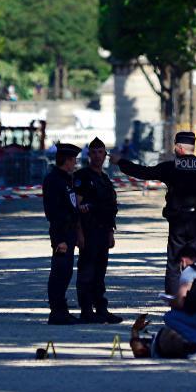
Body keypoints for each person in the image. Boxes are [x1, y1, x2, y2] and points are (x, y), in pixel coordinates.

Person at [111, 131, 196, 294]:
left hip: (178, 221)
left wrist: (121, 162)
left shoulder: (171, 167)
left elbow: (144, 172)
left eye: (175, 146)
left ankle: (174, 299)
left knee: (175, 262)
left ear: (179, 148)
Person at [74, 137, 122, 324]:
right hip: (88, 231)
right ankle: (86, 310)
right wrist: (79, 233)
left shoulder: (104, 179)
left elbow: (110, 209)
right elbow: (76, 207)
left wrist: (110, 232)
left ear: (105, 155)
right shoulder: (82, 177)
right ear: (88, 155)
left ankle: (101, 309)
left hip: (103, 231)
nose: (97, 156)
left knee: (100, 274)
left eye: (100, 152)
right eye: (93, 152)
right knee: (86, 273)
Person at [42, 142, 83, 325]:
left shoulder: (67, 179)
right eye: (73, 160)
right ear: (67, 160)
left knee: (65, 273)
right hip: (61, 235)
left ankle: (62, 310)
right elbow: (53, 212)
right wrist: (60, 239)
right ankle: (57, 311)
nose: (75, 163)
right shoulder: (54, 180)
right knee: (59, 273)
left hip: (69, 233)